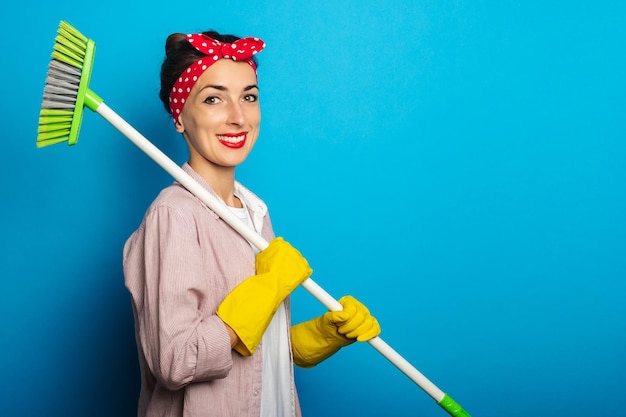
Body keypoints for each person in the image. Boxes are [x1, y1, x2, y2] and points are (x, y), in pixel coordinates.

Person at [123, 29, 381, 417]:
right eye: (214, 99)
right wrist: (268, 287)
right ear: (179, 117)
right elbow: (176, 361)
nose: (238, 117)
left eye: (249, 97)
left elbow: (256, 351)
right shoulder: (175, 214)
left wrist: (325, 335)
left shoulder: (255, 211)